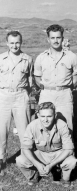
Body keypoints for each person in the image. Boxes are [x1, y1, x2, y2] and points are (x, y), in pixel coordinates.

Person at [16, 102, 77, 187]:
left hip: (58, 153)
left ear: (55, 115)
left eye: (49, 116)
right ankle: (33, 175)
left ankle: (65, 178)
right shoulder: (32, 126)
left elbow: (69, 149)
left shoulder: (62, 125)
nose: (45, 120)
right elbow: (25, 148)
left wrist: (51, 165)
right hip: (41, 154)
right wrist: (37, 164)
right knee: (20, 160)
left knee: (72, 161)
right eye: (42, 116)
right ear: (38, 115)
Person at [34, 24, 77, 132]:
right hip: (46, 94)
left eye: (58, 37)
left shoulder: (71, 57)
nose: (55, 40)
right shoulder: (41, 57)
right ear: (48, 39)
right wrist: (48, 88)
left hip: (64, 96)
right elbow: (37, 79)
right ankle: (44, 149)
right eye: (52, 38)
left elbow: (76, 79)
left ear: (62, 39)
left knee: (67, 128)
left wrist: (65, 88)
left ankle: (67, 149)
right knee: (44, 128)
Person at [0, 31, 33, 176]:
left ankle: (26, 159)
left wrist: (27, 96)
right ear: (7, 43)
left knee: (24, 130)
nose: (15, 45)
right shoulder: (1, 58)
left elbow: (30, 81)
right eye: (12, 43)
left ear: (21, 42)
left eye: (17, 42)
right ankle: (1, 159)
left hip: (21, 96)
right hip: (4, 95)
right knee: (1, 130)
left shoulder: (28, 59)